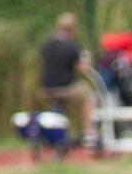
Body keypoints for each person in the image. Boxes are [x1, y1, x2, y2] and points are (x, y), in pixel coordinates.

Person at [37, 13, 96, 145]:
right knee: (88, 96)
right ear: (72, 29)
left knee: (59, 103)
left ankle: (55, 133)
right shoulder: (72, 46)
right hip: (66, 88)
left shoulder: (46, 44)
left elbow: (41, 63)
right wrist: (87, 58)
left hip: (46, 88)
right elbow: (82, 68)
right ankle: (89, 133)